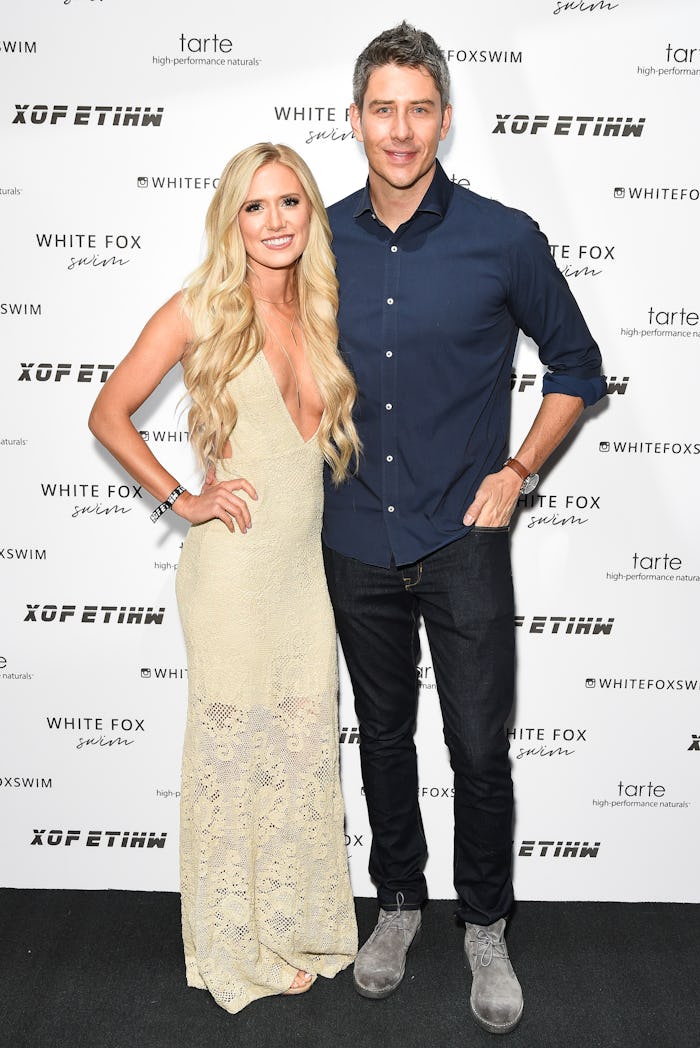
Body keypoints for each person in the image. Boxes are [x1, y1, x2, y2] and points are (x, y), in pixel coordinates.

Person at [321, 23, 607, 1034]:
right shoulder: (311, 237)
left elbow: (577, 366)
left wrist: (520, 468)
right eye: (382, 108)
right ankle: (398, 900)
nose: (400, 130)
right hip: (353, 532)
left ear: (444, 116)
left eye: (419, 107)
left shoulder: (503, 235)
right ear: (353, 119)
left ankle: (483, 923)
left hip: (462, 539)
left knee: (480, 749)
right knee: (384, 737)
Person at [89, 142, 359, 1013]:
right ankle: (232, 944)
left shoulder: (323, 310)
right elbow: (108, 411)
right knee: (236, 758)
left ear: (310, 214)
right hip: (233, 577)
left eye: (289, 203)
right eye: (255, 206)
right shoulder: (201, 309)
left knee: (301, 753)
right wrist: (180, 497)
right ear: (231, 220)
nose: (274, 222)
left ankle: (292, 920)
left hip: (301, 579)